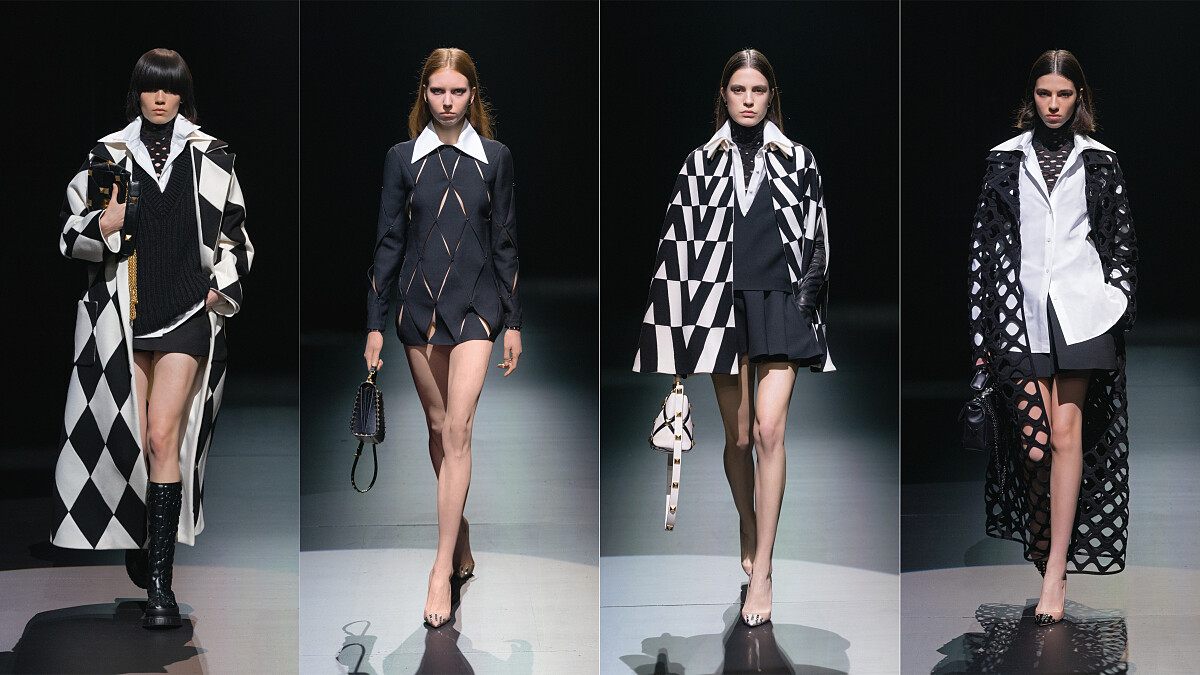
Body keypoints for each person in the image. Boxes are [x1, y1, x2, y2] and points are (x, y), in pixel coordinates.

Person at [52, 48, 253, 629]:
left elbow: (237, 239)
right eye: (151, 88)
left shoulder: (211, 155)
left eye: (170, 89)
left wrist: (220, 291)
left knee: (164, 436)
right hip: (127, 317)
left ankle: (160, 586)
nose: (160, 98)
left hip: (187, 313)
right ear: (137, 93)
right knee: (134, 439)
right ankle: (146, 541)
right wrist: (104, 225)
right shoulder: (109, 155)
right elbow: (68, 235)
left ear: (183, 95)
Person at [634, 48, 833, 627]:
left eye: (758, 90)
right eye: (739, 90)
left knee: (770, 431)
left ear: (772, 96)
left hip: (781, 305)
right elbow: (673, 250)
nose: (748, 100)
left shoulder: (799, 159)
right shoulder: (699, 162)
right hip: (719, 308)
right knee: (739, 438)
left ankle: (763, 568)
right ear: (723, 95)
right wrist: (677, 341)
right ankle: (748, 523)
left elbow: (818, 238)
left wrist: (804, 303)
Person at [968, 49, 1137, 626]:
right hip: (1020, 315)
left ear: (1078, 98)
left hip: (1080, 314)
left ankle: (1056, 571)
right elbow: (984, 250)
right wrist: (983, 332)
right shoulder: (1004, 160)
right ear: (1031, 97)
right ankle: (1045, 540)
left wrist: (1112, 302)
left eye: (1064, 95)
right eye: (1045, 94)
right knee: (1034, 446)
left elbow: (1120, 242)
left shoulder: (1101, 161)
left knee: (1066, 436)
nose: (1054, 105)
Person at [364, 47, 522, 628]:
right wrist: (374, 324)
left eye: (458, 91)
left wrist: (514, 322)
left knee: (458, 429)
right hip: (419, 304)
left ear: (472, 95)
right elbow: (388, 242)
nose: (448, 101)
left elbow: (505, 241)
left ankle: (439, 570)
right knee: (437, 428)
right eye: (438, 91)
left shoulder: (496, 159)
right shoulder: (402, 159)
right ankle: (461, 533)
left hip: (479, 305)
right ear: (424, 95)